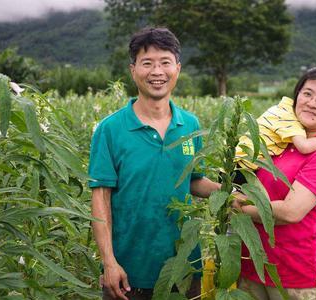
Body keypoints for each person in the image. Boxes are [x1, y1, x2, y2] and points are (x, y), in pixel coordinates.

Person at [88, 27, 219, 300]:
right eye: (147, 63)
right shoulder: (110, 129)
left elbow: (193, 180)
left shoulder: (190, 125)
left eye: (165, 63)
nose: (157, 72)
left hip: (184, 266)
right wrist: (109, 262)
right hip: (128, 271)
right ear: (133, 70)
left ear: (177, 69)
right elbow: (100, 198)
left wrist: (229, 193)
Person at [233, 66, 316, 300]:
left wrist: (235, 206)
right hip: (251, 266)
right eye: (307, 94)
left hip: (292, 275)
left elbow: (290, 212)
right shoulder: (279, 140)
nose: (312, 103)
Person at [234, 95, 316, 171]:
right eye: (307, 94)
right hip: (243, 168)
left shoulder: (280, 108)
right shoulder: (290, 119)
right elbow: (304, 146)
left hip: (237, 160)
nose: (311, 105)